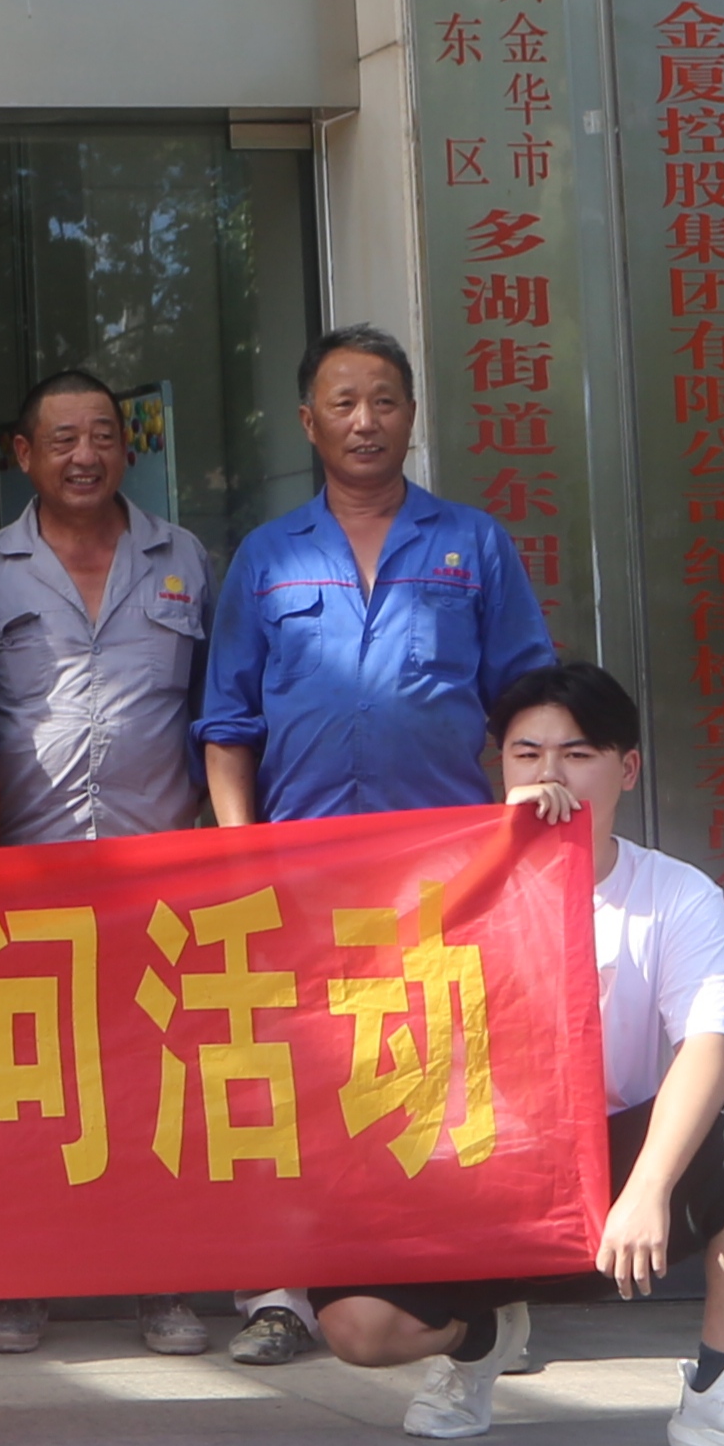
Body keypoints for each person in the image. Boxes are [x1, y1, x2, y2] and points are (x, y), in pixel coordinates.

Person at [309, 663, 724, 1446]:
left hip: (606, 1170)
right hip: (469, 1174)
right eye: (525, 754)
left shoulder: (675, 894)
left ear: (625, 769)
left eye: (576, 754)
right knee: (357, 1328)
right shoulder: (434, 885)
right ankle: (479, 1338)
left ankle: (721, 1392)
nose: (548, 775)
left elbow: (709, 1043)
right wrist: (500, 858)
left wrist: (646, 1187)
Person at [201, 326, 555, 1368]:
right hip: (301, 877)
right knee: (295, 1081)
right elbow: (226, 724)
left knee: (433, 1078)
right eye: (342, 402)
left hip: (443, 879)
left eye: (384, 400)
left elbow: (526, 698)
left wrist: (525, 806)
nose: (364, 421)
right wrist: (237, 853)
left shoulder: (472, 545)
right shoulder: (267, 557)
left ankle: (447, 1281)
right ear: (306, 422)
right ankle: (282, 1295)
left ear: (410, 415)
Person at [0, 370, 220, 1359]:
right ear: (24, 455)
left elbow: (217, 711)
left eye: (102, 435)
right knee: (26, 1085)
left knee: (152, 1082)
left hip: (156, 873)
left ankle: (162, 1281)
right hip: (27, 877)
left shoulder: (183, 559)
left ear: (126, 447)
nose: (85, 455)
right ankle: (21, 1281)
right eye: (62, 439)